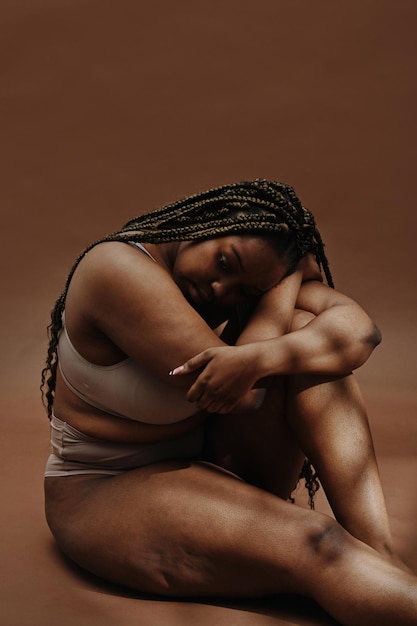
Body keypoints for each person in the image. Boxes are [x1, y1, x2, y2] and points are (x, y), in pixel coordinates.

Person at [41, 179, 417, 625]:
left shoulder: (245, 283)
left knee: (303, 341)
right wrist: (286, 282)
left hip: (208, 466)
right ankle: (370, 575)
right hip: (103, 489)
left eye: (244, 289)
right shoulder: (115, 269)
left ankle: (381, 556)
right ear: (203, 224)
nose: (222, 290)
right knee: (321, 543)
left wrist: (264, 342)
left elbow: (360, 333)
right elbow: (243, 393)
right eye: (224, 261)